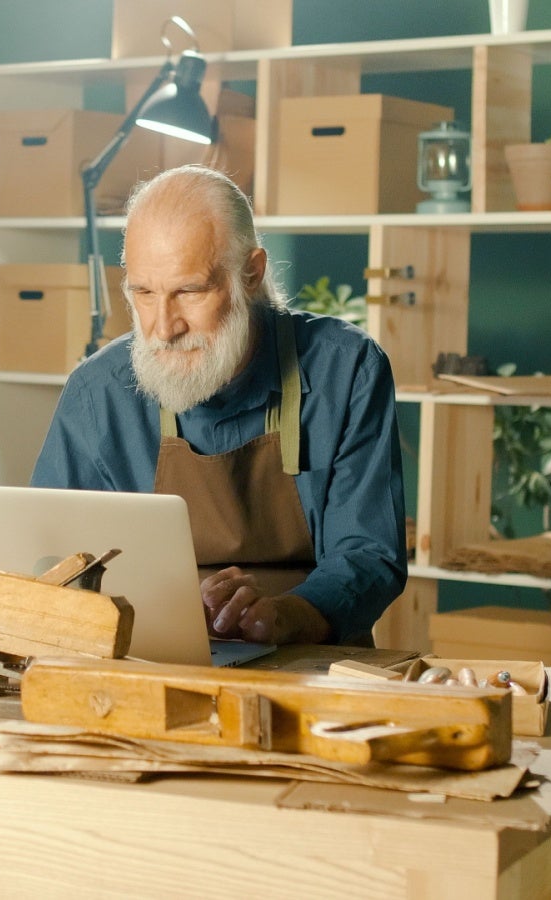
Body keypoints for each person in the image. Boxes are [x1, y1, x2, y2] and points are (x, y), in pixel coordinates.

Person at [31, 164, 407, 646]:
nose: (163, 328)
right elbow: (54, 566)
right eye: (144, 293)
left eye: (188, 291)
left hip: (313, 662)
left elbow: (369, 554)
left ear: (251, 274)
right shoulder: (96, 394)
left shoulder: (347, 369)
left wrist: (287, 615)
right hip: (150, 658)